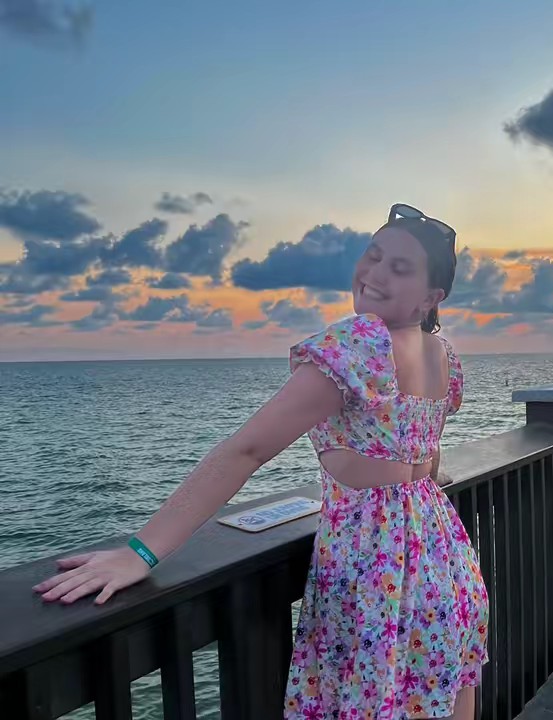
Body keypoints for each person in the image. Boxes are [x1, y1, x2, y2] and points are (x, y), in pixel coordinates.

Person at [33, 203, 490, 719]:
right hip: (441, 553)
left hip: (376, 564)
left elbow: (246, 450)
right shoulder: (442, 355)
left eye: (400, 268)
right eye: (374, 254)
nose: (376, 272)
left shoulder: (360, 343)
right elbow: (426, 460)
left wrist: (142, 552)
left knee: (371, 698)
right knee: (443, 684)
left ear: (431, 297)